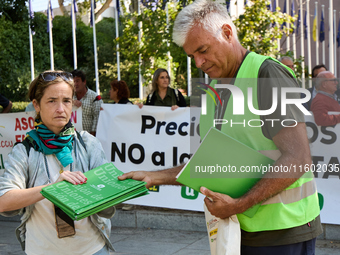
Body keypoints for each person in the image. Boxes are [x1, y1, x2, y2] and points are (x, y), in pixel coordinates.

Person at [119, 0, 321, 254]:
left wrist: (238, 204)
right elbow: (213, 163)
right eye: (192, 55)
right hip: (239, 229)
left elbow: (298, 158)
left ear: (227, 32)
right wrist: (155, 176)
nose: (199, 63)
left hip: (284, 231)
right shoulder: (215, 88)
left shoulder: (267, 74)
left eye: (203, 50)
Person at [0, 71, 115, 255]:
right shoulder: (24, 150)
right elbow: (4, 201)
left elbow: (106, 199)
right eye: (52, 101)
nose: (60, 109)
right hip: (42, 250)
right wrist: (52, 189)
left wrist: (116, 188)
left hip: (91, 249)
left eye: (66, 101)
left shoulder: (88, 143)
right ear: (36, 105)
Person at [71, 70, 102, 136]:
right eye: (73, 81)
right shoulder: (68, 97)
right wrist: (71, 102)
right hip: (71, 138)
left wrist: (91, 138)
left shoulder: (95, 98)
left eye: (77, 81)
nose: (75, 84)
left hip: (89, 138)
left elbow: (97, 118)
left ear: (84, 82)